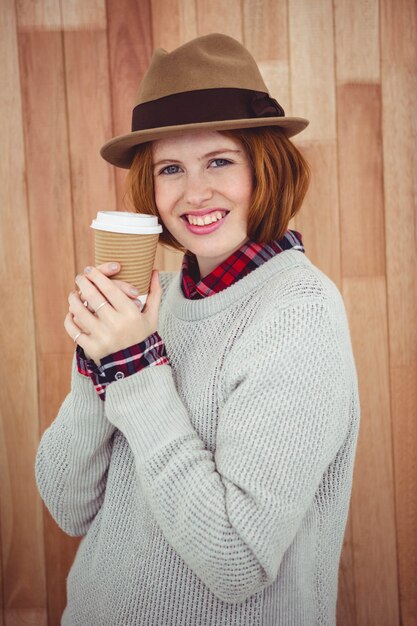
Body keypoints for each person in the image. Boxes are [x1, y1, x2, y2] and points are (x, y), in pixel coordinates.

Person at [35, 33, 361, 626]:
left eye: (219, 160)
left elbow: (236, 562)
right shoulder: (153, 302)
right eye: (171, 168)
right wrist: (97, 360)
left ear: (265, 166)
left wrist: (134, 366)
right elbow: (68, 506)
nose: (195, 192)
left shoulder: (299, 311)